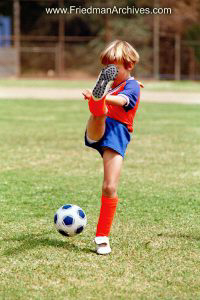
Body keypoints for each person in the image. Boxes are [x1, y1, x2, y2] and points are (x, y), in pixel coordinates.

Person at [82, 40, 143, 255]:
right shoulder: (111, 85)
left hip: (117, 134)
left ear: (129, 65)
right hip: (99, 126)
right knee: (100, 112)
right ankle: (96, 104)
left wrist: (104, 96)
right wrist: (98, 97)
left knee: (109, 187)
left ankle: (102, 237)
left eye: (114, 68)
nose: (111, 71)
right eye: (106, 68)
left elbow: (124, 100)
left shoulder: (133, 86)